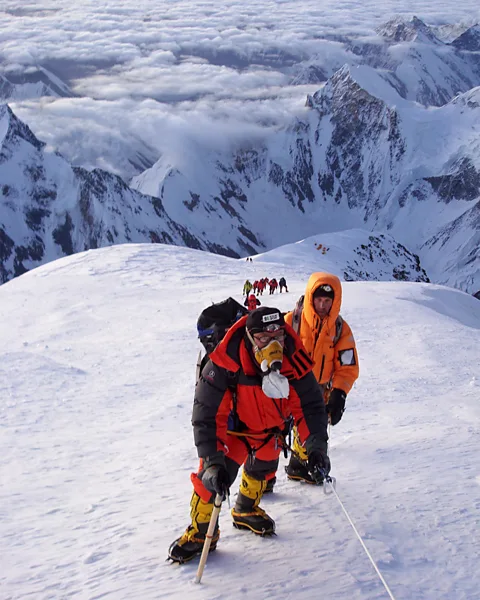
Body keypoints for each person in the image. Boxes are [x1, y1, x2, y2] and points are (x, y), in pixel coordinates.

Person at [168, 306, 330, 563]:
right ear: (249, 336)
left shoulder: (294, 360)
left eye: (278, 337)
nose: (273, 345)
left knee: (262, 472)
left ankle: (245, 509)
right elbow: (207, 414)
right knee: (210, 483)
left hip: (270, 433)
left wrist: (316, 446)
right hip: (235, 432)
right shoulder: (225, 363)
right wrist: (211, 460)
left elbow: (309, 406)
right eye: (264, 338)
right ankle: (201, 534)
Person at [280, 272, 359, 485]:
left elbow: (347, 367)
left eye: (327, 301)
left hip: (321, 392)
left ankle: (300, 465)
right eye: (318, 299)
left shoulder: (340, 330)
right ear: (310, 297)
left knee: (313, 430)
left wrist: (339, 394)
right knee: (274, 432)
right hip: (289, 389)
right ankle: (263, 479)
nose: (322, 305)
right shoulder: (291, 322)